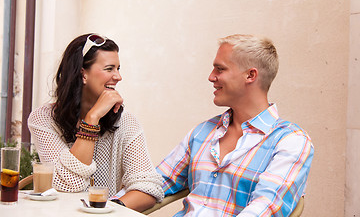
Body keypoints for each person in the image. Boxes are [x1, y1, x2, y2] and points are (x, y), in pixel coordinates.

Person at [156, 34, 314, 216]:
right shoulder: (202, 132)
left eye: (219, 69)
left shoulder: (291, 142)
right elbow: (158, 182)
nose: (211, 77)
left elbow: (265, 208)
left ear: (250, 75)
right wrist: (116, 206)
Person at [28, 33, 164, 212]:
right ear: (83, 73)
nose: (118, 76)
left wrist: (106, 210)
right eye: (109, 69)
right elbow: (69, 185)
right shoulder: (43, 119)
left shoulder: (127, 122)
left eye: (118, 68)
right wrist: (92, 119)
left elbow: (148, 188)